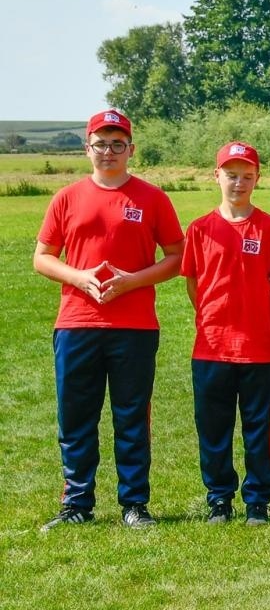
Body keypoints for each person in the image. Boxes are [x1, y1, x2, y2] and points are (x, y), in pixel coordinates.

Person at [35, 110, 183, 531]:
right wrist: (80, 278)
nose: (109, 151)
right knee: (76, 416)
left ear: (131, 150)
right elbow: (42, 257)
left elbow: (176, 256)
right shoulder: (66, 197)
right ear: (88, 149)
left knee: (131, 416)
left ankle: (134, 504)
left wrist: (133, 281)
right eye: (101, 143)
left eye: (118, 144)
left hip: (133, 327)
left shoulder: (152, 198)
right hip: (77, 324)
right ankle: (76, 504)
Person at [182, 142, 270, 525]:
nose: (238, 183)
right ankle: (219, 499)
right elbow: (194, 283)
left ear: (257, 179)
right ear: (217, 177)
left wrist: (262, 321)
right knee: (214, 427)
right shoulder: (200, 229)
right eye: (231, 176)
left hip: (259, 348)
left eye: (247, 176)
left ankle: (258, 500)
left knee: (258, 427)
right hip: (211, 348)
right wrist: (214, 318)